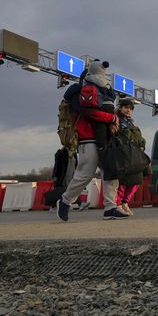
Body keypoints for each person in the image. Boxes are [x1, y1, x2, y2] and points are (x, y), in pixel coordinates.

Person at [56, 61, 127, 221]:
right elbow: (89, 113)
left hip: (103, 137)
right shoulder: (78, 92)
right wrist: (112, 117)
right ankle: (65, 200)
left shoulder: (100, 91)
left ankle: (110, 207)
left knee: (110, 172)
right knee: (85, 175)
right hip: (87, 138)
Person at [115, 99, 147, 216]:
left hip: (135, 154)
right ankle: (118, 204)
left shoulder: (130, 122)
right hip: (124, 155)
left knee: (137, 179)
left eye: (131, 108)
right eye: (126, 107)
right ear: (120, 107)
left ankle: (125, 202)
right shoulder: (116, 120)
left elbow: (139, 138)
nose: (129, 110)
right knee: (123, 182)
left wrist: (142, 144)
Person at [82, 60, 116, 152]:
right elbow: (113, 95)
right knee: (109, 125)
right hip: (110, 106)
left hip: (100, 106)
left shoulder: (88, 79)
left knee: (99, 125)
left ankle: (101, 147)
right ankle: (111, 144)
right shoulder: (106, 82)